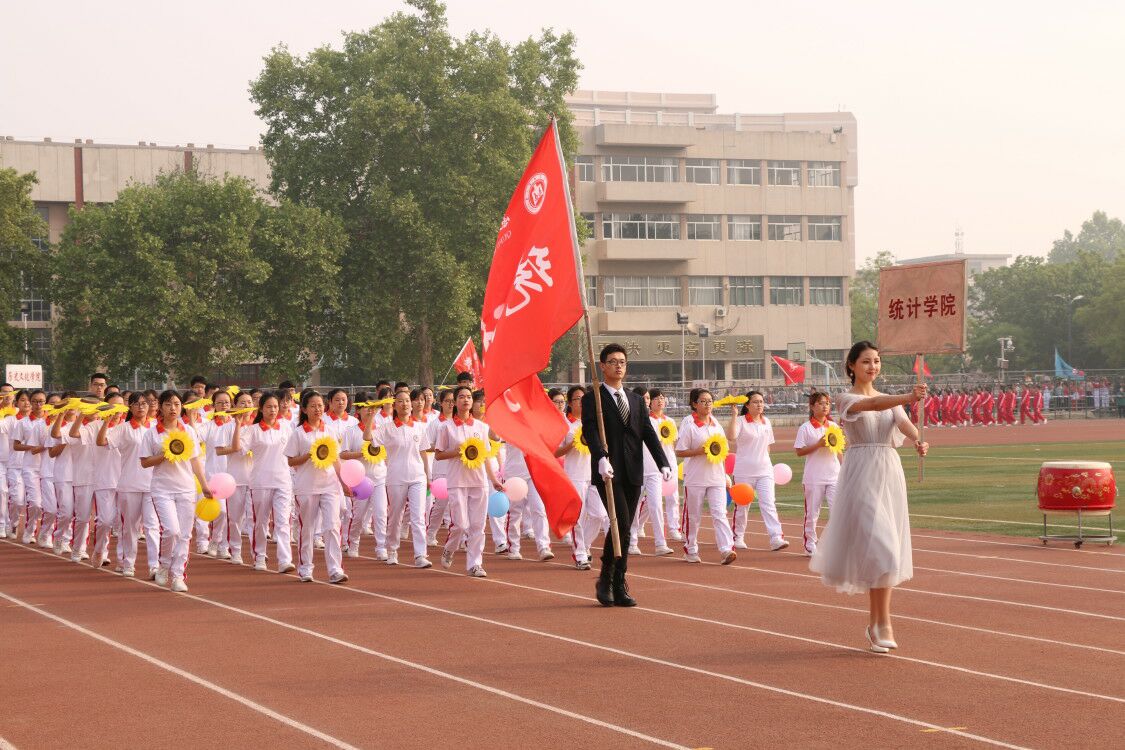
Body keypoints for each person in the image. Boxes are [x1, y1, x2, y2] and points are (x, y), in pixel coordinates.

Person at [809, 341, 928, 653]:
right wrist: (908, 396)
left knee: (887, 552)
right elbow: (874, 406)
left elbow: (905, 425)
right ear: (851, 365)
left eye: (876, 361)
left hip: (889, 472)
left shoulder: (890, 401)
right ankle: (881, 623)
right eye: (865, 361)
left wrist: (919, 440)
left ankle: (879, 623)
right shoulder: (845, 398)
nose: (872, 366)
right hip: (861, 472)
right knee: (882, 547)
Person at [581, 344, 671, 607]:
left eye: (622, 361)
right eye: (612, 361)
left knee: (626, 527)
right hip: (608, 471)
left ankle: (618, 583)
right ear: (602, 366)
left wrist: (663, 462)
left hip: (633, 470)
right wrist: (600, 457)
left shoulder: (635, 399)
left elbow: (647, 432)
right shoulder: (593, 398)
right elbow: (590, 430)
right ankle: (607, 578)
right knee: (619, 521)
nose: (618, 366)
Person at [140, 390, 214, 593]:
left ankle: (178, 575)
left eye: (176, 404)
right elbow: (144, 462)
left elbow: (195, 460)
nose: (173, 408)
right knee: (171, 530)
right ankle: (164, 564)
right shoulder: (152, 433)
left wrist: (204, 485)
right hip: (162, 488)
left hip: (186, 488)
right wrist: (164, 455)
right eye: (168, 404)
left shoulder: (188, 431)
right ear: (160, 407)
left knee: (184, 534)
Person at [435, 385, 501, 576]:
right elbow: (438, 455)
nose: (466, 400)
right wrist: (457, 452)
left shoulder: (481, 427)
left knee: (478, 526)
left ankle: (475, 563)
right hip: (457, 481)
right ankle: (450, 548)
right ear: (455, 402)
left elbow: (486, 456)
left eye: (469, 397)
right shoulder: (446, 427)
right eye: (462, 397)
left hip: (478, 481)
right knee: (461, 524)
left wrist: (494, 480)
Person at [285, 391, 349, 584]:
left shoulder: (329, 430)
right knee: (307, 528)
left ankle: (335, 569)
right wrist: (309, 455)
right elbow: (290, 461)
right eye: (313, 406)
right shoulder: (298, 433)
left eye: (320, 405)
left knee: (332, 526)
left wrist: (344, 482)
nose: (317, 409)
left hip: (330, 485)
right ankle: (305, 568)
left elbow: (336, 459)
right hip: (306, 487)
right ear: (304, 409)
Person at [232, 392, 296, 574]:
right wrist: (238, 425)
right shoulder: (253, 430)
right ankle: (259, 556)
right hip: (260, 482)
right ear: (261, 408)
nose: (273, 410)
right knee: (261, 522)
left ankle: (285, 560)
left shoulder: (286, 428)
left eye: (275, 406)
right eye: (269, 407)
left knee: (283, 522)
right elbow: (238, 449)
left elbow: (294, 452)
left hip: (283, 481)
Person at [676, 388, 737, 565]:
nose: (707, 404)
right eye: (703, 401)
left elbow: (723, 450)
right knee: (694, 516)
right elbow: (680, 451)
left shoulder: (716, 424)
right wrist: (699, 451)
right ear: (694, 404)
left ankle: (726, 549)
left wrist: (725, 474)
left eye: (710, 401)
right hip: (695, 478)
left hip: (716, 477)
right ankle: (691, 549)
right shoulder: (690, 426)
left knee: (720, 513)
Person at [727, 390, 788, 551]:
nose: (759, 404)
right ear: (747, 405)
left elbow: (768, 446)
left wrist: (765, 462)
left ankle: (776, 537)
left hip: (765, 471)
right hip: (744, 471)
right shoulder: (740, 421)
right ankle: (737, 536)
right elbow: (731, 437)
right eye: (755, 402)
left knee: (768, 503)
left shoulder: (766, 422)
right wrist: (734, 415)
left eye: (761, 401)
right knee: (742, 506)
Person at [793, 391, 841, 556]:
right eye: (820, 403)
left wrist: (844, 469)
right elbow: (799, 451)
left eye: (827, 403)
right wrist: (818, 445)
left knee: (837, 511)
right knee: (812, 513)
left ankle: (835, 544)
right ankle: (810, 543)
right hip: (814, 477)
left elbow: (839, 450)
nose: (825, 406)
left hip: (834, 475)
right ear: (812, 406)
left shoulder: (834, 427)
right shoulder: (805, 428)